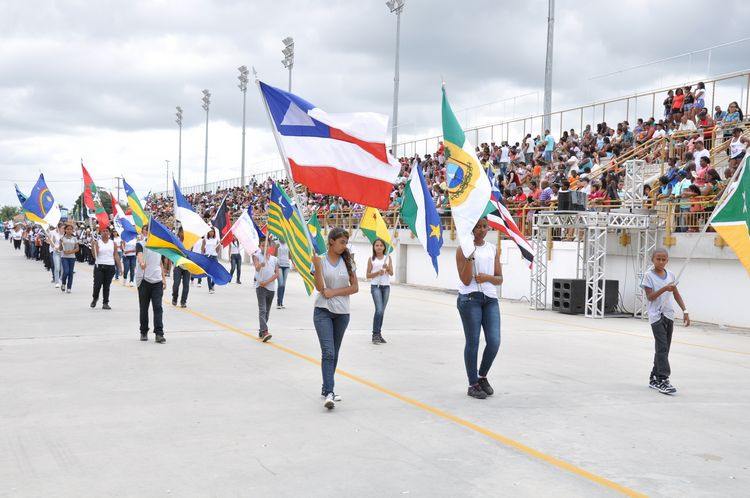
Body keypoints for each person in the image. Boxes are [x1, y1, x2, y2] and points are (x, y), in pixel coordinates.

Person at [455, 218, 503, 400]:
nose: (482, 230)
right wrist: (469, 255)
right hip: (469, 299)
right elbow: (466, 280)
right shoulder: (463, 249)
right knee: (473, 342)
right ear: (471, 229)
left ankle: (482, 375)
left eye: (484, 226)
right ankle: (472, 384)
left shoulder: (492, 249)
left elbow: (500, 279)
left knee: (494, 341)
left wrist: (487, 277)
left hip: (490, 299)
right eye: (478, 227)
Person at [312, 227, 358, 410]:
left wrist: (335, 292)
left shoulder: (348, 261)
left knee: (334, 353)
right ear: (331, 241)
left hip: (342, 313)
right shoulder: (320, 260)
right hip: (322, 311)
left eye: (346, 242)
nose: (344, 246)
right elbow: (319, 287)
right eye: (341, 242)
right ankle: (330, 392)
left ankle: (326, 387)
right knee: (328, 352)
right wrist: (316, 266)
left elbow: (354, 288)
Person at [640, 248, 689, 395]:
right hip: (656, 316)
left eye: (664, 259)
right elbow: (650, 297)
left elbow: (676, 294)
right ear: (652, 260)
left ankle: (654, 377)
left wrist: (685, 310)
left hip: (668, 315)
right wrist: (664, 288)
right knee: (661, 347)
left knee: (665, 348)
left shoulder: (671, 275)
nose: (661, 262)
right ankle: (663, 379)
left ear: (667, 260)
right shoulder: (648, 276)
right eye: (658, 259)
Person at [136, 223, 168, 343]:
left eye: (150, 230)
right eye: (146, 230)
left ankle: (159, 333)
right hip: (144, 281)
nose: (148, 232)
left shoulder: (158, 246)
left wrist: (163, 278)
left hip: (157, 281)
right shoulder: (140, 244)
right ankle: (143, 331)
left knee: (158, 307)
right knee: (144, 308)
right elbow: (139, 255)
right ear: (143, 232)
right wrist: (141, 263)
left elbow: (159, 263)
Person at [366, 238, 393, 345]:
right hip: (375, 286)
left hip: (386, 287)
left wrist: (387, 268)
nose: (379, 247)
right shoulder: (371, 259)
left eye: (381, 245)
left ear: (384, 247)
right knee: (379, 310)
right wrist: (378, 273)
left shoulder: (388, 258)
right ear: (374, 247)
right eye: (377, 245)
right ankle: (375, 334)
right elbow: (367, 275)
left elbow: (391, 273)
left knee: (382, 312)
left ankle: (379, 334)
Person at [253, 238, 279, 343]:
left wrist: (268, 281)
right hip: (260, 287)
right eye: (262, 245)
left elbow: (277, 273)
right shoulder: (257, 256)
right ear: (260, 246)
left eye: (266, 245)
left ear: (270, 246)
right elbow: (257, 268)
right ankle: (265, 331)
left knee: (267, 311)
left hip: (271, 287)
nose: (265, 247)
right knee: (262, 309)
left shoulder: (274, 259)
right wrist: (260, 264)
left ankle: (261, 330)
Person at [91, 228, 121, 310]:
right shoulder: (97, 242)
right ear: (101, 233)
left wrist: (119, 267)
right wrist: (93, 245)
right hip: (99, 265)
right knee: (97, 285)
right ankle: (95, 298)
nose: (105, 232)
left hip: (110, 266)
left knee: (106, 286)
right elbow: (94, 255)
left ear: (109, 233)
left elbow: (116, 255)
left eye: (106, 231)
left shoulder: (113, 243)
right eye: (103, 231)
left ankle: (105, 303)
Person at [171, 227, 190, 308]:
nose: (183, 234)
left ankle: (183, 301)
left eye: (184, 232)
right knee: (176, 284)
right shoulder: (176, 242)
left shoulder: (190, 242)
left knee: (186, 285)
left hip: (187, 266)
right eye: (182, 232)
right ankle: (174, 298)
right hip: (178, 265)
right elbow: (173, 253)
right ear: (179, 233)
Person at [59, 224, 79, 293]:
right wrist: (60, 244)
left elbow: (77, 248)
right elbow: (60, 248)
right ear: (65, 230)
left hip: (72, 257)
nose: (69, 230)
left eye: (70, 229)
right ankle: (63, 283)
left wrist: (70, 252)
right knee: (66, 271)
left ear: (72, 230)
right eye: (67, 229)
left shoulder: (74, 238)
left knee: (70, 273)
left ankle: (69, 287)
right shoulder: (62, 238)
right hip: (64, 257)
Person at [202, 228, 220, 294]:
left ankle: (212, 285)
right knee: (209, 273)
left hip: (214, 256)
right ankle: (210, 288)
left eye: (212, 231)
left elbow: (217, 251)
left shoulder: (216, 240)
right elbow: (202, 247)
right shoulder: (205, 239)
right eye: (210, 231)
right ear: (208, 232)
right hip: (207, 256)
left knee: (216, 272)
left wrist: (219, 245)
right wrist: (202, 255)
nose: (211, 233)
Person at [48, 223, 64, 288]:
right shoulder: (53, 233)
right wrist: (55, 248)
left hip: (63, 253)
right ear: (59, 228)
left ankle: (61, 279)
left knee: (62, 268)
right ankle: (57, 282)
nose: (64, 229)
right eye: (63, 228)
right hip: (56, 252)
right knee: (57, 267)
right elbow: (51, 242)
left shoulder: (64, 234)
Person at [276, 238, 290, 309]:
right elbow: (274, 255)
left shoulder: (288, 243)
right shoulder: (277, 243)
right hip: (279, 265)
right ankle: (278, 302)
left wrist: (295, 264)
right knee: (280, 283)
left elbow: (290, 256)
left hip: (287, 265)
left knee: (283, 285)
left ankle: (281, 302)